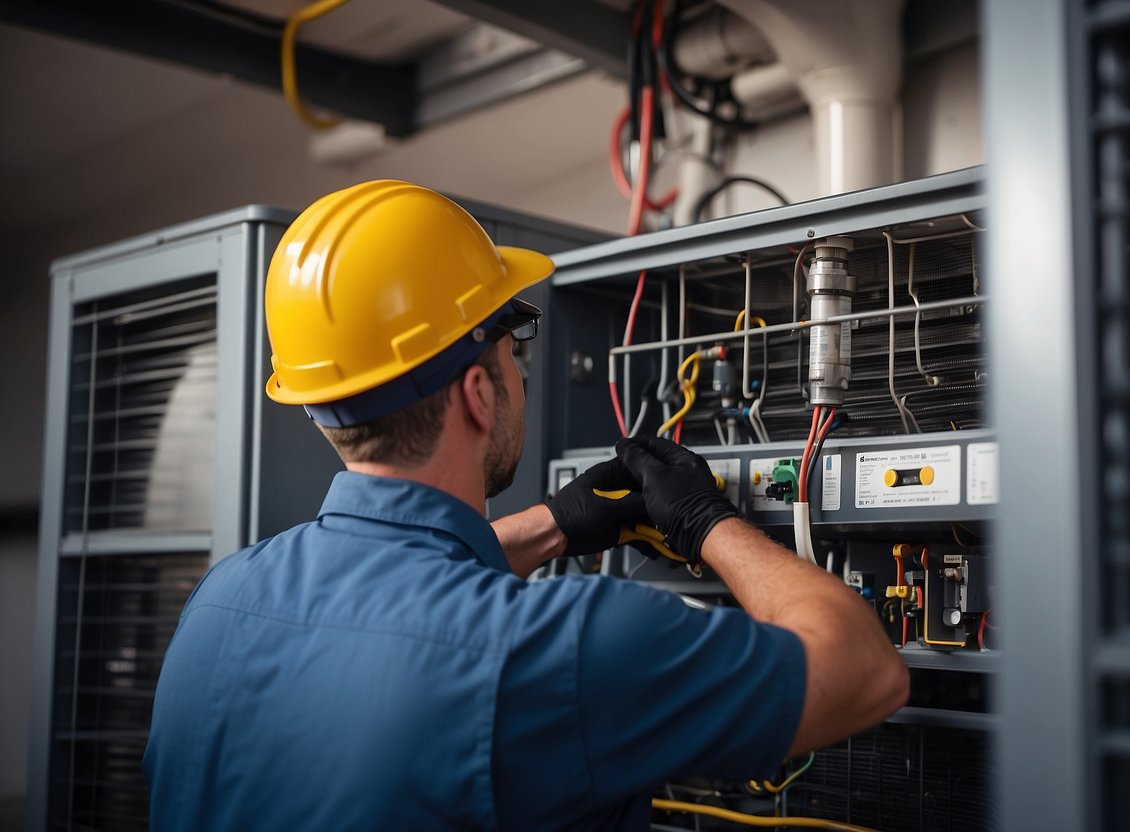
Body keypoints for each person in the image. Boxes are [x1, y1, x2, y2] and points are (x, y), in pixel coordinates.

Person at [143, 180, 907, 831]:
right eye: (514, 347)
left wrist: (550, 523)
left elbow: (391, 607)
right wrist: (709, 524)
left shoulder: (221, 600)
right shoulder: (568, 647)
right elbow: (865, 672)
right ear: (478, 393)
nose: (518, 372)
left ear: (321, 406)